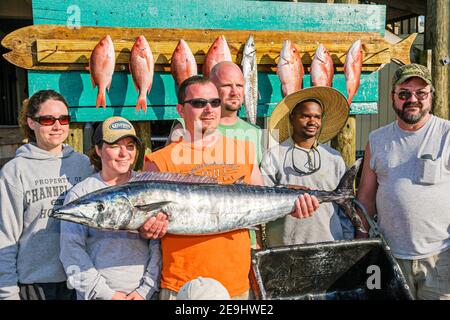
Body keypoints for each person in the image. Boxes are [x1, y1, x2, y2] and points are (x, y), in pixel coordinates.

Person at [141, 76, 316, 300]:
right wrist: (146, 229)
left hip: (238, 284)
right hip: (182, 286)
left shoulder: (243, 150)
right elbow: (144, 224)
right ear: (180, 109)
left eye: (214, 102)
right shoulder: (158, 161)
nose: (209, 109)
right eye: (198, 103)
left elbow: (262, 202)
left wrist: (292, 201)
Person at [357, 64, 450, 300]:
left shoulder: (447, 134)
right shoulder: (377, 139)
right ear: (393, 96)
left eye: (421, 93)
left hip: (441, 258)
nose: (413, 99)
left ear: (431, 95)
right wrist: (360, 249)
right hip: (388, 257)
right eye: (404, 93)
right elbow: (365, 199)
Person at [0, 90, 94, 300]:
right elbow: (4, 238)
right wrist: (7, 293)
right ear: (31, 123)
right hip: (36, 285)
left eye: (64, 119)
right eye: (48, 119)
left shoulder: (84, 165)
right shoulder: (15, 171)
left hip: (82, 279)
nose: (57, 125)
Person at [59, 116, 163, 300]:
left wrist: (145, 290)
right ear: (98, 149)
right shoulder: (81, 193)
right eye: (115, 146)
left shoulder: (149, 186)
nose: (124, 153)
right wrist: (107, 294)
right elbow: (71, 252)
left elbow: (158, 245)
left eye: (130, 146)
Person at [169, 62, 263, 248]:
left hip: (244, 237)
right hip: (199, 239)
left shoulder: (255, 132)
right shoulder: (187, 127)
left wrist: (258, 241)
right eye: (227, 85)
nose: (235, 91)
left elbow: (258, 191)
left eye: (240, 86)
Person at [261, 86, 355, 246]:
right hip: (284, 245)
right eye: (305, 116)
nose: (312, 121)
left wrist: (347, 239)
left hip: (330, 241)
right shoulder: (274, 155)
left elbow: (345, 205)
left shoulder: (334, 158)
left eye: (317, 117)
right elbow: (263, 200)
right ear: (292, 118)